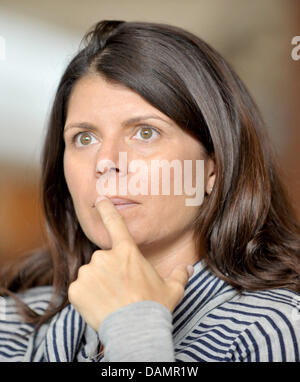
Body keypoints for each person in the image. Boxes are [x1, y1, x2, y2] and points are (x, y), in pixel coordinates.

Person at [0, 19, 300, 362]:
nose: (106, 162)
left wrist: (134, 329)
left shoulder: (274, 328)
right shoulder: (11, 324)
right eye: (85, 138)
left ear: (212, 170)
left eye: (145, 133)